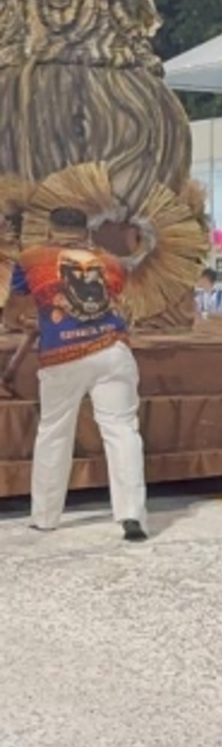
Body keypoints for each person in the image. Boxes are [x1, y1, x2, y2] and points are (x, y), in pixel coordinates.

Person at [6, 207, 146, 541]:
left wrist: (24, 322)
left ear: (51, 230)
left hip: (62, 355)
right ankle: (131, 515)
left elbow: (14, 308)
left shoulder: (32, 258)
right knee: (122, 431)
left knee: (55, 431)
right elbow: (105, 300)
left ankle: (45, 517)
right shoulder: (112, 262)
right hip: (113, 350)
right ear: (86, 232)